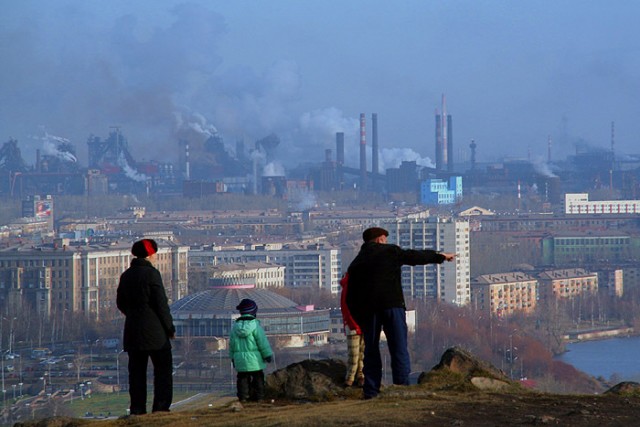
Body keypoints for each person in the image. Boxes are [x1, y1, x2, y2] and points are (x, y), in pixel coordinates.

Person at [346, 227, 456, 399]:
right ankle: (401, 388)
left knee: (371, 351)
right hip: (392, 306)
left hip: (369, 312)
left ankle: (371, 391)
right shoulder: (390, 252)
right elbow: (414, 257)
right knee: (398, 348)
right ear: (380, 239)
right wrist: (440, 256)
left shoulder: (356, 263)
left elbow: (350, 296)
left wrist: (360, 318)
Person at [117, 239, 176, 415]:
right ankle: (161, 407)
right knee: (163, 372)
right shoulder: (152, 274)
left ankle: (137, 409)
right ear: (150, 254)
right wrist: (169, 328)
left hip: (133, 332)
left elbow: (120, 303)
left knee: (136, 374)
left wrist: (134, 315)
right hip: (155, 333)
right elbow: (161, 304)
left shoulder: (126, 275)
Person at [229, 298, 274, 402]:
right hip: (255, 360)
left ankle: (243, 397)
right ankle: (259, 397)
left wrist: (232, 358)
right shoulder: (256, 326)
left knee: (242, 378)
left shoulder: (234, 328)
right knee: (258, 377)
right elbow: (262, 343)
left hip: (240, 359)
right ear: (253, 312)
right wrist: (267, 355)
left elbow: (231, 345)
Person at [339, 272, 364, 387]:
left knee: (361, 353)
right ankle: (351, 377)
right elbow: (346, 307)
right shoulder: (350, 286)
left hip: (361, 324)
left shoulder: (354, 284)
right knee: (354, 354)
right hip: (353, 324)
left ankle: (360, 376)